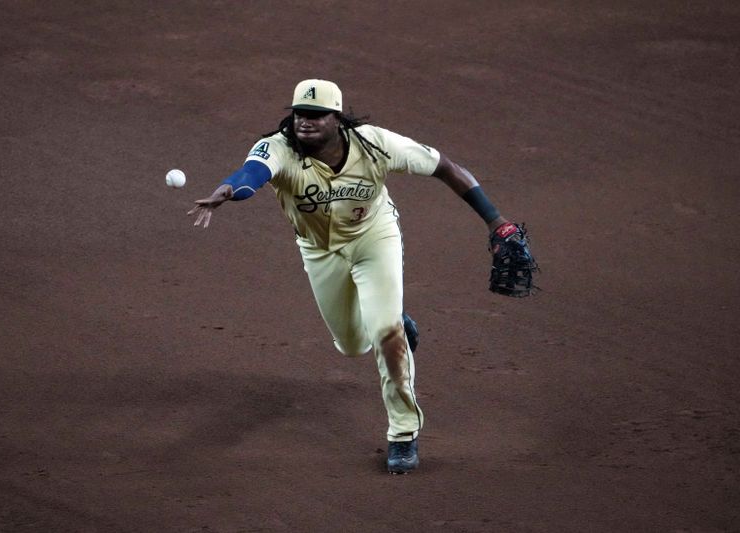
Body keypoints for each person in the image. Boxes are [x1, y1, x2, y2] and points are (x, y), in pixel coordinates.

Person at [188, 79, 515, 474]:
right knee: (351, 344)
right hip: (318, 251)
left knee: (386, 334)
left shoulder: (375, 143)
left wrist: (496, 222)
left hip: (374, 239)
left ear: (337, 118)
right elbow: (252, 172)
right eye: (299, 114)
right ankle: (394, 319)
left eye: (315, 115)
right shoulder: (278, 146)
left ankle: (402, 433)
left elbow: (445, 167)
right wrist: (229, 190)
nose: (304, 122)